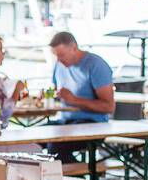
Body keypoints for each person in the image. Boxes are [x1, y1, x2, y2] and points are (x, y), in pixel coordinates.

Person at [46, 30, 115, 164]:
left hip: (93, 124)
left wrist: (74, 100)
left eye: (62, 55)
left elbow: (109, 107)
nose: (59, 60)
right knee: (34, 137)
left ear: (74, 48)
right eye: (56, 56)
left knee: (55, 146)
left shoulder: (95, 65)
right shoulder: (59, 65)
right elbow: (56, 93)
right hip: (66, 122)